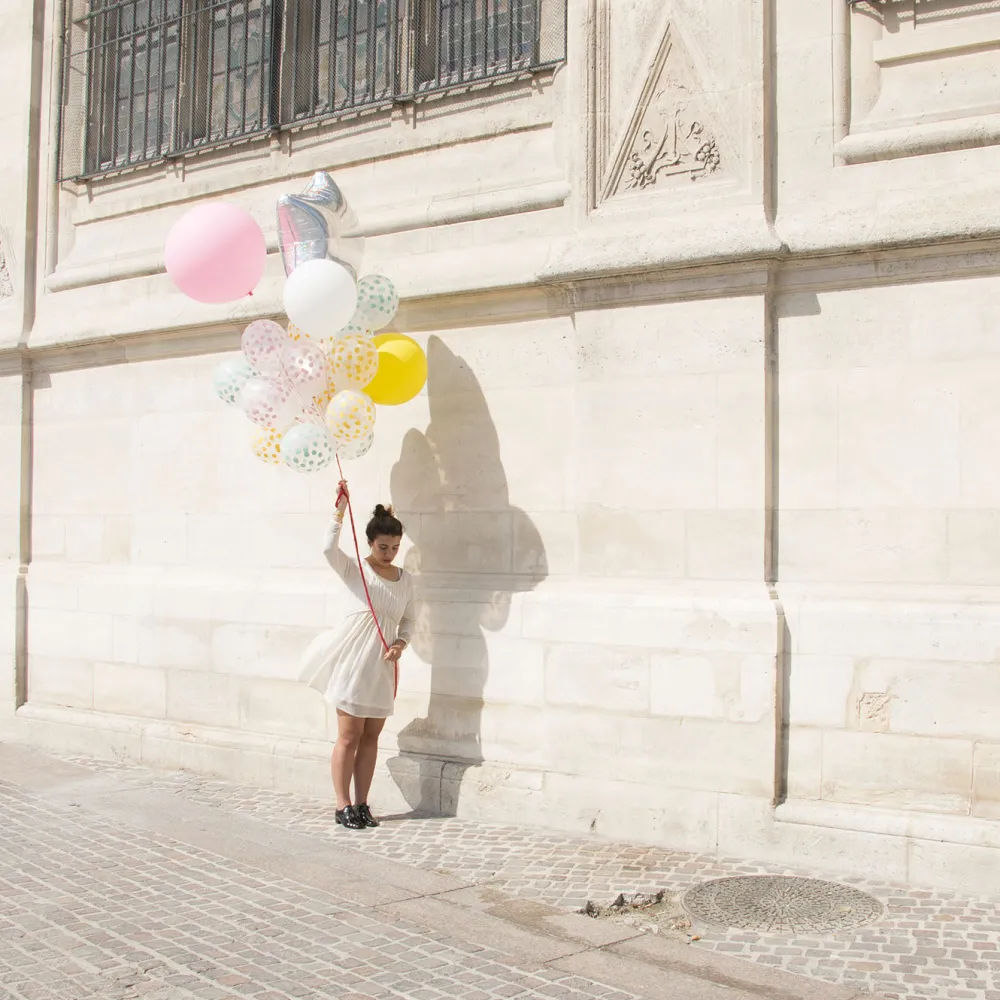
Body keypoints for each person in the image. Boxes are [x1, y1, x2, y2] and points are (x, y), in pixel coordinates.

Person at [299, 481, 414, 830]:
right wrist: (340, 511)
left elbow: (408, 619)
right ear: (370, 543)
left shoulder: (406, 579)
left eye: (395, 547)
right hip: (353, 664)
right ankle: (342, 804)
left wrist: (401, 644)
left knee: (371, 738)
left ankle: (363, 803)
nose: (389, 553)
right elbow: (326, 549)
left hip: (382, 668)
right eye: (383, 546)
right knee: (348, 737)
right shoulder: (355, 570)